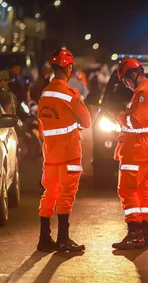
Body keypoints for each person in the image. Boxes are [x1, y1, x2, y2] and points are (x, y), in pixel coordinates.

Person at [36, 49, 91, 252]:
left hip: (50, 154)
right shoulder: (70, 95)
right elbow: (86, 121)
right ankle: (63, 239)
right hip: (69, 153)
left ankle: (44, 238)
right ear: (68, 68)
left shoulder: (45, 94)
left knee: (50, 193)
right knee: (66, 195)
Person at [112, 58, 148, 250]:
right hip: (146, 147)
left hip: (135, 149)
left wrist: (119, 116)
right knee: (143, 190)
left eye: (126, 80)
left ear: (133, 74)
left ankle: (134, 234)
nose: (126, 84)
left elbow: (135, 122)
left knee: (127, 189)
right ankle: (144, 234)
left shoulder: (142, 93)